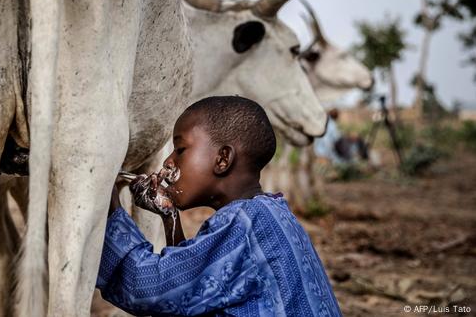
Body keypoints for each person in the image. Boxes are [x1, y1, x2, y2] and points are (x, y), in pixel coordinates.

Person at [97, 96, 341, 316]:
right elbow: (191, 294)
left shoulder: (243, 224)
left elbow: (149, 289)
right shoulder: (271, 213)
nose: (169, 162)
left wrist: (109, 206)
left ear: (223, 159)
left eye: (180, 150)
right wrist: (169, 216)